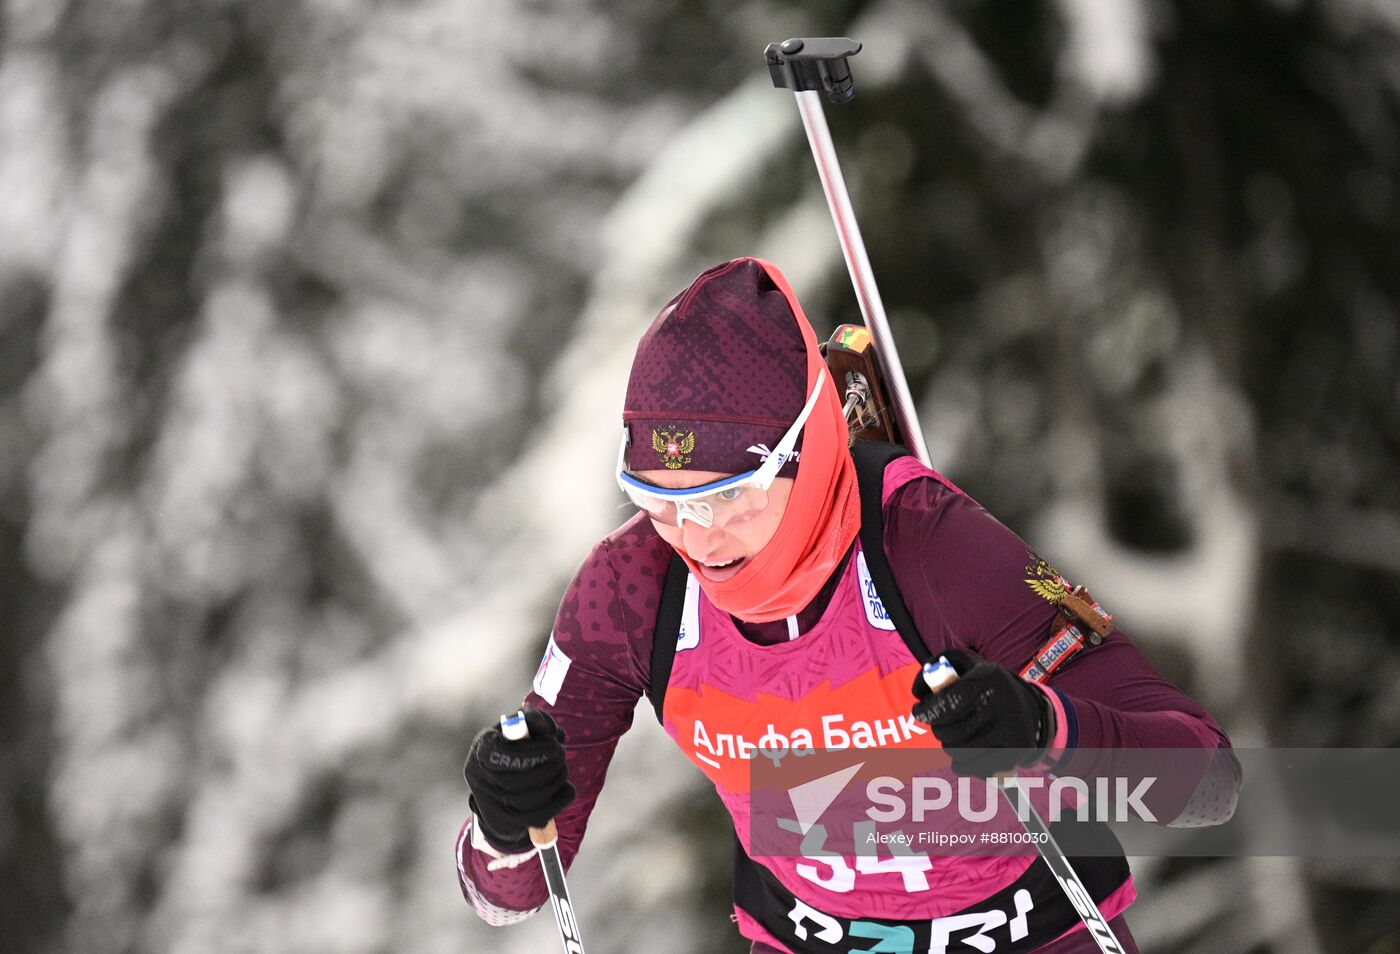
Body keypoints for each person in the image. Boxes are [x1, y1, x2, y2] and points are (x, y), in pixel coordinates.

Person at [457, 257, 1240, 952]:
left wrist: (1042, 731)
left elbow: (1209, 783)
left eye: (733, 496)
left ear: (810, 447)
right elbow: (506, 895)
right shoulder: (631, 590)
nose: (698, 536)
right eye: (661, 500)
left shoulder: (939, 548)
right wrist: (504, 824)